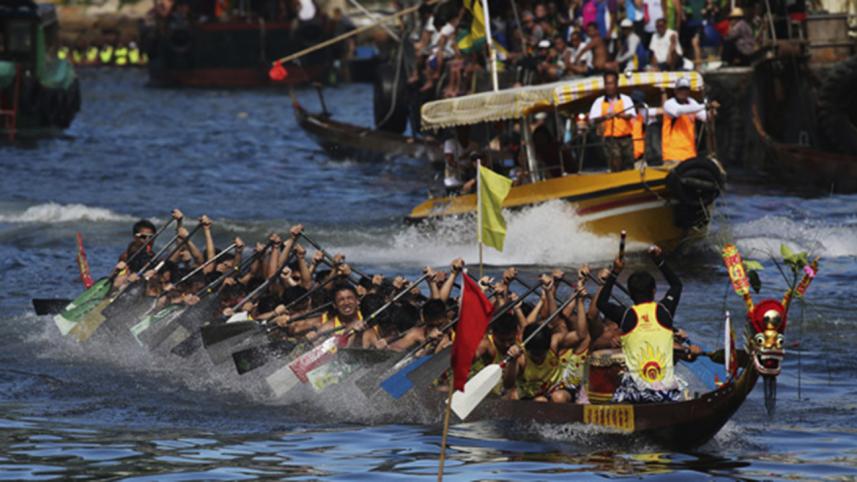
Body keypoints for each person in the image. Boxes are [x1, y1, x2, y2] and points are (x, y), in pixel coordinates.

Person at [596, 244, 685, 402]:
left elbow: (601, 303)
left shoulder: (627, 315)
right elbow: (677, 285)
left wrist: (615, 272)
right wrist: (659, 261)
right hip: (665, 392)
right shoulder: (664, 311)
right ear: (654, 291)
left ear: (630, 294)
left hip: (636, 392)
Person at [661, 76, 717, 163]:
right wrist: (705, 106)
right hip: (673, 155)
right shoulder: (669, 104)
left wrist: (712, 111)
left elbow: (705, 117)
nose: (683, 92)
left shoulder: (692, 103)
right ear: (675, 91)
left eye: (686, 89)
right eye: (681, 89)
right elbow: (678, 111)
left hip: (690, 154)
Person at [588, 71, 635, 172]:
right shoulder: (599, 101)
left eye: (611, 83)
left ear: (616, 84)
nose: (609, 86)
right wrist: (604, 117)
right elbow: (593, 119)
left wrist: (619, 115)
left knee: (629, 165)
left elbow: (630, 115)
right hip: (610, 139)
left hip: (626, 139)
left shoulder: (626, 99)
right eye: (607, 83)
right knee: (615, 161)